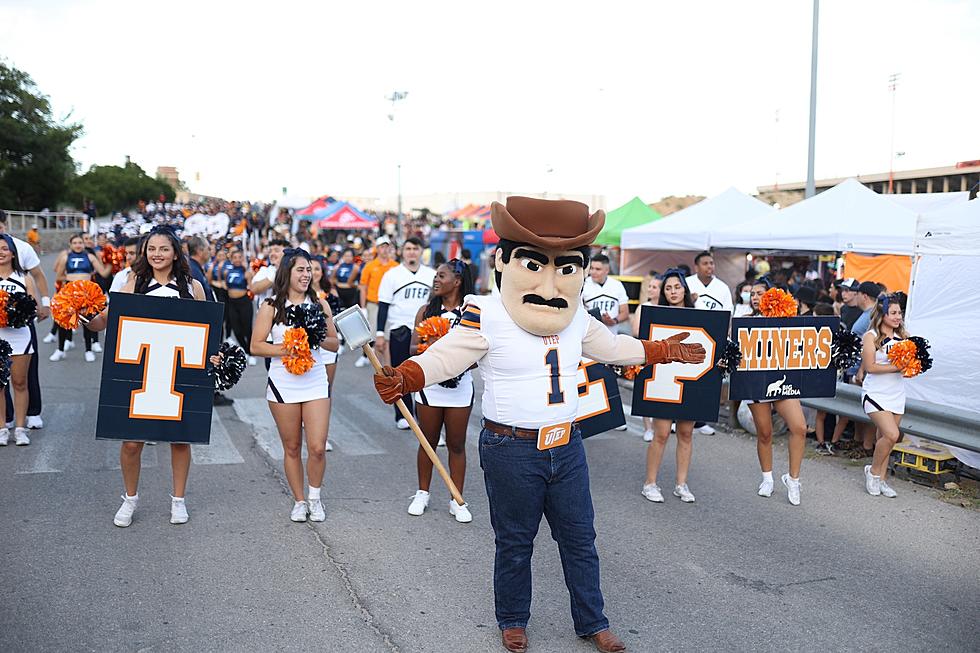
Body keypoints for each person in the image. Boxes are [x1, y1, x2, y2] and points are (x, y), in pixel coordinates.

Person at [372, 197, 705, 653]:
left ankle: (593, 622)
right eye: (535, 264)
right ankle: (512, 619)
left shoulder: (575, 317)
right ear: (505, 262)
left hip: (566, 446)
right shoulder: (485, 312)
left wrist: (661, 351)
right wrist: (407, 375)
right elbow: (447, 355)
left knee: (581, 540)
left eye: (566, 267)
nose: (550, 282)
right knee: (514, 542)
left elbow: (613, 348)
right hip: (512, 447)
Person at [85, 227, 213, 527]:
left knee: (181, 440)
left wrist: (213, 354)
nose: (157, 254)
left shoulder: (192, 287)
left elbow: (207, 330)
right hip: (140, 371)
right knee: (131, 443)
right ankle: (130, 498)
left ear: (175, 252)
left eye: (163, 249)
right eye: (151, 248)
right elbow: (105, 321)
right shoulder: (133, 283)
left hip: (177, 370)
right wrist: (85, 317)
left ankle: (178, 500)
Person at [250, 248, 339, 522]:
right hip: (283, 383)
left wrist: (315, 336)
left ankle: (315, 497)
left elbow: (334, 343)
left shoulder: (320, 304)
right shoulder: (271, 307)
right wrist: (288, 348)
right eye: (300, 269)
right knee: (291, 447)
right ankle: (299, 501)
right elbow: (256, 346)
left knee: (317, 447)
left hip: (314, 381)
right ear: (286, 272)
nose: (306, 274)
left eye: (309, 270)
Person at [406, 259, 476, 523]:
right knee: (428, 440)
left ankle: (456, 499)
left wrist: (454, 353)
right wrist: (431, 346)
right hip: (430, 386)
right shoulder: (426, 311)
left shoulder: (471, 313)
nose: (436, 280)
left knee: (457, 444)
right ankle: (422, 493)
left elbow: (478, 353)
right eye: (435, 275)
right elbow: (412, 349)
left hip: (460, 387)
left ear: (457, 281)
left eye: (442, 276)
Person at [746, 278, 808, 506]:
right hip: (755, 383)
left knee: (799, 427)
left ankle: (793, 479)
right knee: (764, 432)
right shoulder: (745, 323)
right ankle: (767, 478)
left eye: (760, 292)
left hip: (783, 382)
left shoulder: (788, 321)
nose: (755, 297)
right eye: (752, 293)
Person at [641, 270, 697, 503]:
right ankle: (650, 483)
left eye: (677, 286)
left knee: (686, 433)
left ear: (685, 288)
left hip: (689, 379)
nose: (673, 291)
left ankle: (681, 484)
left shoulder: (699, 317)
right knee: (661, 433)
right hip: (663, 381)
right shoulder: (657, 315)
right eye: (668, 288)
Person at [374, 237, 435, 430]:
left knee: (426, 374)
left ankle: (425, 417)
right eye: (407, 248)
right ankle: (403, 414)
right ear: (402, 252)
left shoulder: (431, 274)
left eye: (415, 249)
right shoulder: (392, 275)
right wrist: (380, 333)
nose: (411, 252)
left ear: (421, 251)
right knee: (400, 373)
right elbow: (383, 306)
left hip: (426, 331)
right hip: (400, 329)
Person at [0, 211, 51, 431]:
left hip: (21, 317)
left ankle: (33, 412)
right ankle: (7, 417)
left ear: (4, 224)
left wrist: (45, 303)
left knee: (27, 369)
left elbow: (38, 275)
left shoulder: (21, 247)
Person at [859, 293, 908, 498]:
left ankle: (882, 480)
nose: (898, 317)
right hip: (875, 393)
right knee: (891, 434)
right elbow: (870, 367)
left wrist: (911, 367)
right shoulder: (870, 336)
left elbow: (907, 367)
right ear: (883, 314)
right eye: (893, 313)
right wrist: (896, 367)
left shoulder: (904, 337)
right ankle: (873, 472)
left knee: (885, 439)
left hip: (896, 394)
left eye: (900, 313)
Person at [0, 235, 39, 446]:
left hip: (20, 336)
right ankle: (2, 428)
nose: (1, 253)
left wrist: (16, 313)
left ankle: (21, 428)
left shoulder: (24, 278)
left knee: (20, 382)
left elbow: (32, 308)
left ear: (13, 252)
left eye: (5, 248)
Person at [51, 233, 110, 362]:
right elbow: (58, 276)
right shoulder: (66, 257)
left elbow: (103, 273)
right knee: (64, 321)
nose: (78, 245)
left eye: (80, 243)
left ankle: (88, 350)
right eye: (75, 243)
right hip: (70, 294)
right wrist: (73, 279)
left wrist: (111, 262)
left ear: (84, 244)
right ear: (70, 245)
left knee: (87, 320)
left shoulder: (90, 256)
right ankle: (60, 350)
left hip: (86, 294)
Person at [356, 237, 398, 368]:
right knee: (374, 337)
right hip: (373, 304)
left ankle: (387, 367)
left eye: (387, 247)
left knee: (387, 337)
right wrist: (363, 307)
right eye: (382, 247)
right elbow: (363, 287)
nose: (385, 249)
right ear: (377, 249)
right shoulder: (370, 266)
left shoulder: (395, 266)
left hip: (390, 305)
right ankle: (377, 366)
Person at [632, 274, 662, 442]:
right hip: (646, 352)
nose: (650, 289)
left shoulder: (667, 306)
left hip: (663, 355)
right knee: (645, 389)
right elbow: (636, 331)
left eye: (654, 287)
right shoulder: (644, 307)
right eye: (649, 286)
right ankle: (648, 428)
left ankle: (662, 423)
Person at [223, 249, 256, 366]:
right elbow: (225, 285)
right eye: (235, 257)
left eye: (239, 257)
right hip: (231, 302)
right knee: (236, 330)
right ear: (231, 259)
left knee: (247, 329)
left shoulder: (246, 272)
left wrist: (250, 275)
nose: (237, 259)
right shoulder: (227, 271)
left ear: (242, 259)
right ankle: (246, 350)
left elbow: (252, 288)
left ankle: (251, 353)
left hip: (244, 302)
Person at [581, 254, 629, 331]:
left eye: (598, 269)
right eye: (592, 268)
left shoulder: (617, 285)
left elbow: (625, 313)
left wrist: (614, 321)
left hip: (611, 334)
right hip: (590, 333)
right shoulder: (583, 284)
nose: (593, 272)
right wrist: (599, 317)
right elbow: (578, 312)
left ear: (607, 270)